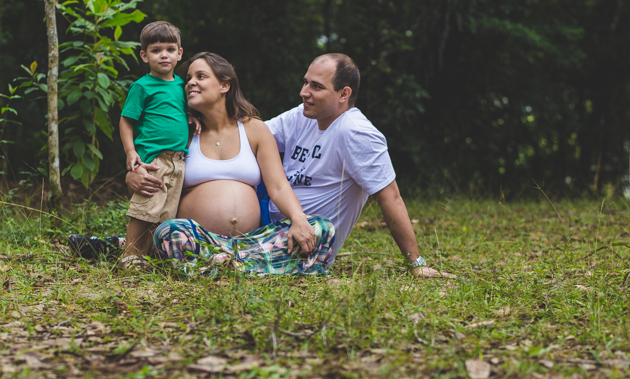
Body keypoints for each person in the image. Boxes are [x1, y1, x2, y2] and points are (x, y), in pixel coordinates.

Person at [130, 53, 451, 278]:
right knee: (170, 231)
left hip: (296, 236)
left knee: (321, 228)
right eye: (305, 83)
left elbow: (390, 196)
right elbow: (242, 135)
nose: (303, 93)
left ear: (344, 94)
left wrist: (416, 262)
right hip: (255, 230)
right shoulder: (301, 116)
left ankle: (210, 260)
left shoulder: (357, 133)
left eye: (315, 87)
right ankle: (227, 259)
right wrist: (189, 118)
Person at [151, 52, 336, 275]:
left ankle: (225, 265)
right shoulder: (182, 132)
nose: (190, 82)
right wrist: (133, 173)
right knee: (169, 233)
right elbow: (152, 170)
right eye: (189, 78)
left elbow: (278, 186)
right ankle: (254, 266)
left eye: (200, 76)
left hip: (253, 241)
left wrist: (297, 218)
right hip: (199, 238)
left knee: (321, 227)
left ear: (224, 85)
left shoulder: (254, 129)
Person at [116, 21, 190, 266]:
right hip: (153, 159)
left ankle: (147, 256)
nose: (164, 55)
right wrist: (130, 152)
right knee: (145, 209)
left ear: (180, 53)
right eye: (156, 50)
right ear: (144, 55)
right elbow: (126, 120)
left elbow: (181, 112)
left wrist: (192, 118)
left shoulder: (182, 86)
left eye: (170, 49)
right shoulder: (142, 86)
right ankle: (130, 257)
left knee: (163, 215)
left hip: (178, 160)